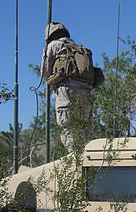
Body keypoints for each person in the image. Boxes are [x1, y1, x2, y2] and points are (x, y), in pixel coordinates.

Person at [41, 22, 99, 151]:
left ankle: (76, 164)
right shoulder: (79, 48)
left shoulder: (54, 46)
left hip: (66, 92)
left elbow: (45, 73)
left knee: (69, 129)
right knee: (84, 131)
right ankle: (84, 163)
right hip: (86, 93)